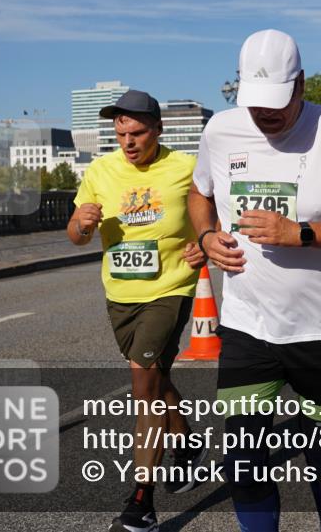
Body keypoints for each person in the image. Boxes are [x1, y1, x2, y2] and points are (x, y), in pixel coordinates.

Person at [187, 29, 321, 532]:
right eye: (255, 104)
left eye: (276, 103)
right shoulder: (221, 131)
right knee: (244, 462)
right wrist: (208, 233)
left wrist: (300, 233)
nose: (265, 116)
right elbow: (199, 193)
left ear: (301, 83)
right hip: (246, 326)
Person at [67, 90, 208, 532]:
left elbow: (217, 216)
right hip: (120, 294)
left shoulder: (186, 169)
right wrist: (82, 224)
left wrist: (203, 241)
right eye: (121, 132)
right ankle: (187, 444)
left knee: (141, 384)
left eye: (138, 132)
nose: (128, 141)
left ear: (158, 130)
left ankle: (141, 502)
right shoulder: (100, 170)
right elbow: (75, 235)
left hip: (171, 287)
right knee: (157, 376)